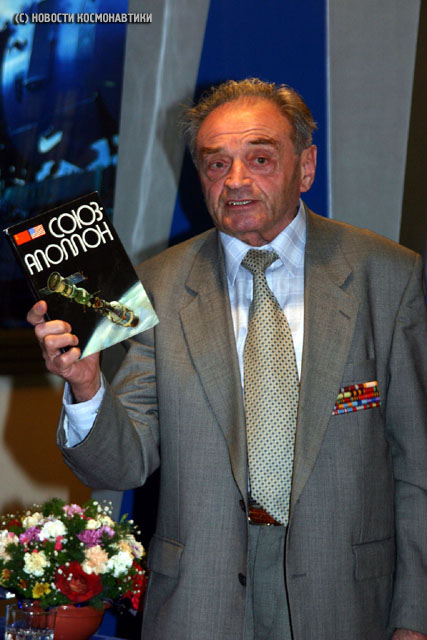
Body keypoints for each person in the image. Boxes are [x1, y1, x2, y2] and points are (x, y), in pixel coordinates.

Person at [27, 79, 427, 640]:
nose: (235, 180)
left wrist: (415, 617)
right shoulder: (156, 287)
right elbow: (121, 466)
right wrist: (87, 386)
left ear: (305, 167)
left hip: (348, 600)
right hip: (200, 601)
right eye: (216, 164)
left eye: (259, 159)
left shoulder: (388, 275)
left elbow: (418, 468)